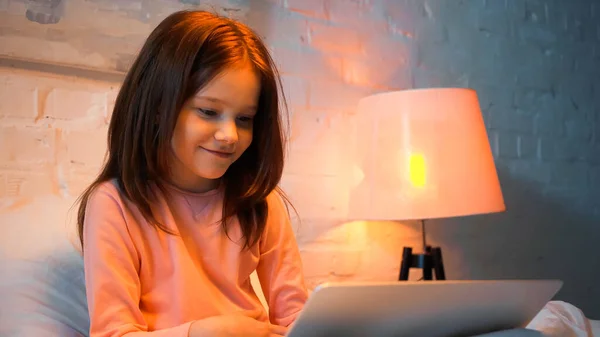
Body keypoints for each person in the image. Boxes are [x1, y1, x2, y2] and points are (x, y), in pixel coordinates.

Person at [75, 10, 308, 337]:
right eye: (209, 112)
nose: (229, 134)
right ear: (158, 108)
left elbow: (297, 318)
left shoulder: (260, 200)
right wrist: (209, 332)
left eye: (244, 119)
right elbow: (114, 333)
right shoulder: (114, 203)